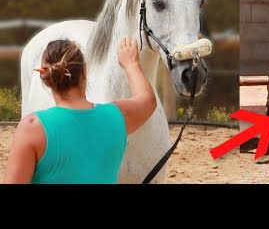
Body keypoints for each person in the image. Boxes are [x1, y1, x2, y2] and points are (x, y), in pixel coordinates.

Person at [3, 36, 156, 184]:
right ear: (84, 71)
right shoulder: (118, 116)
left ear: (47, 80)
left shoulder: (32, 128)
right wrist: (131, 65)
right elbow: (148, 100)